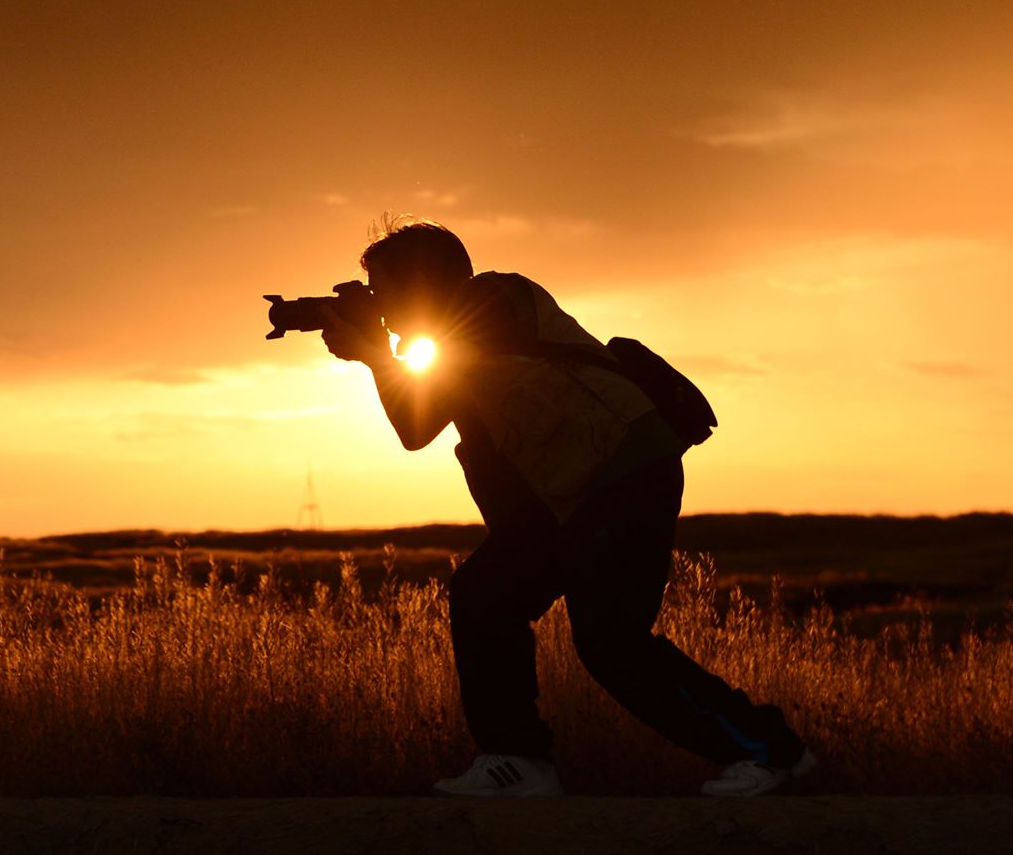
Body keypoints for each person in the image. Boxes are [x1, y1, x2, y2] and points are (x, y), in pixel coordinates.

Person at [318, 217, 813, 797]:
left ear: (422, 284)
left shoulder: (492, 299)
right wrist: (376, 352)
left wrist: (377, 350)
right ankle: (518, 761)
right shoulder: (457, 342)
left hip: (622, 475)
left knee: (610, 640)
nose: (382, 306)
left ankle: (770, 751)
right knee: (485, 593)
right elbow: (417, 426)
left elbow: (425, 404)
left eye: (386, 291)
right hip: (571, 498)